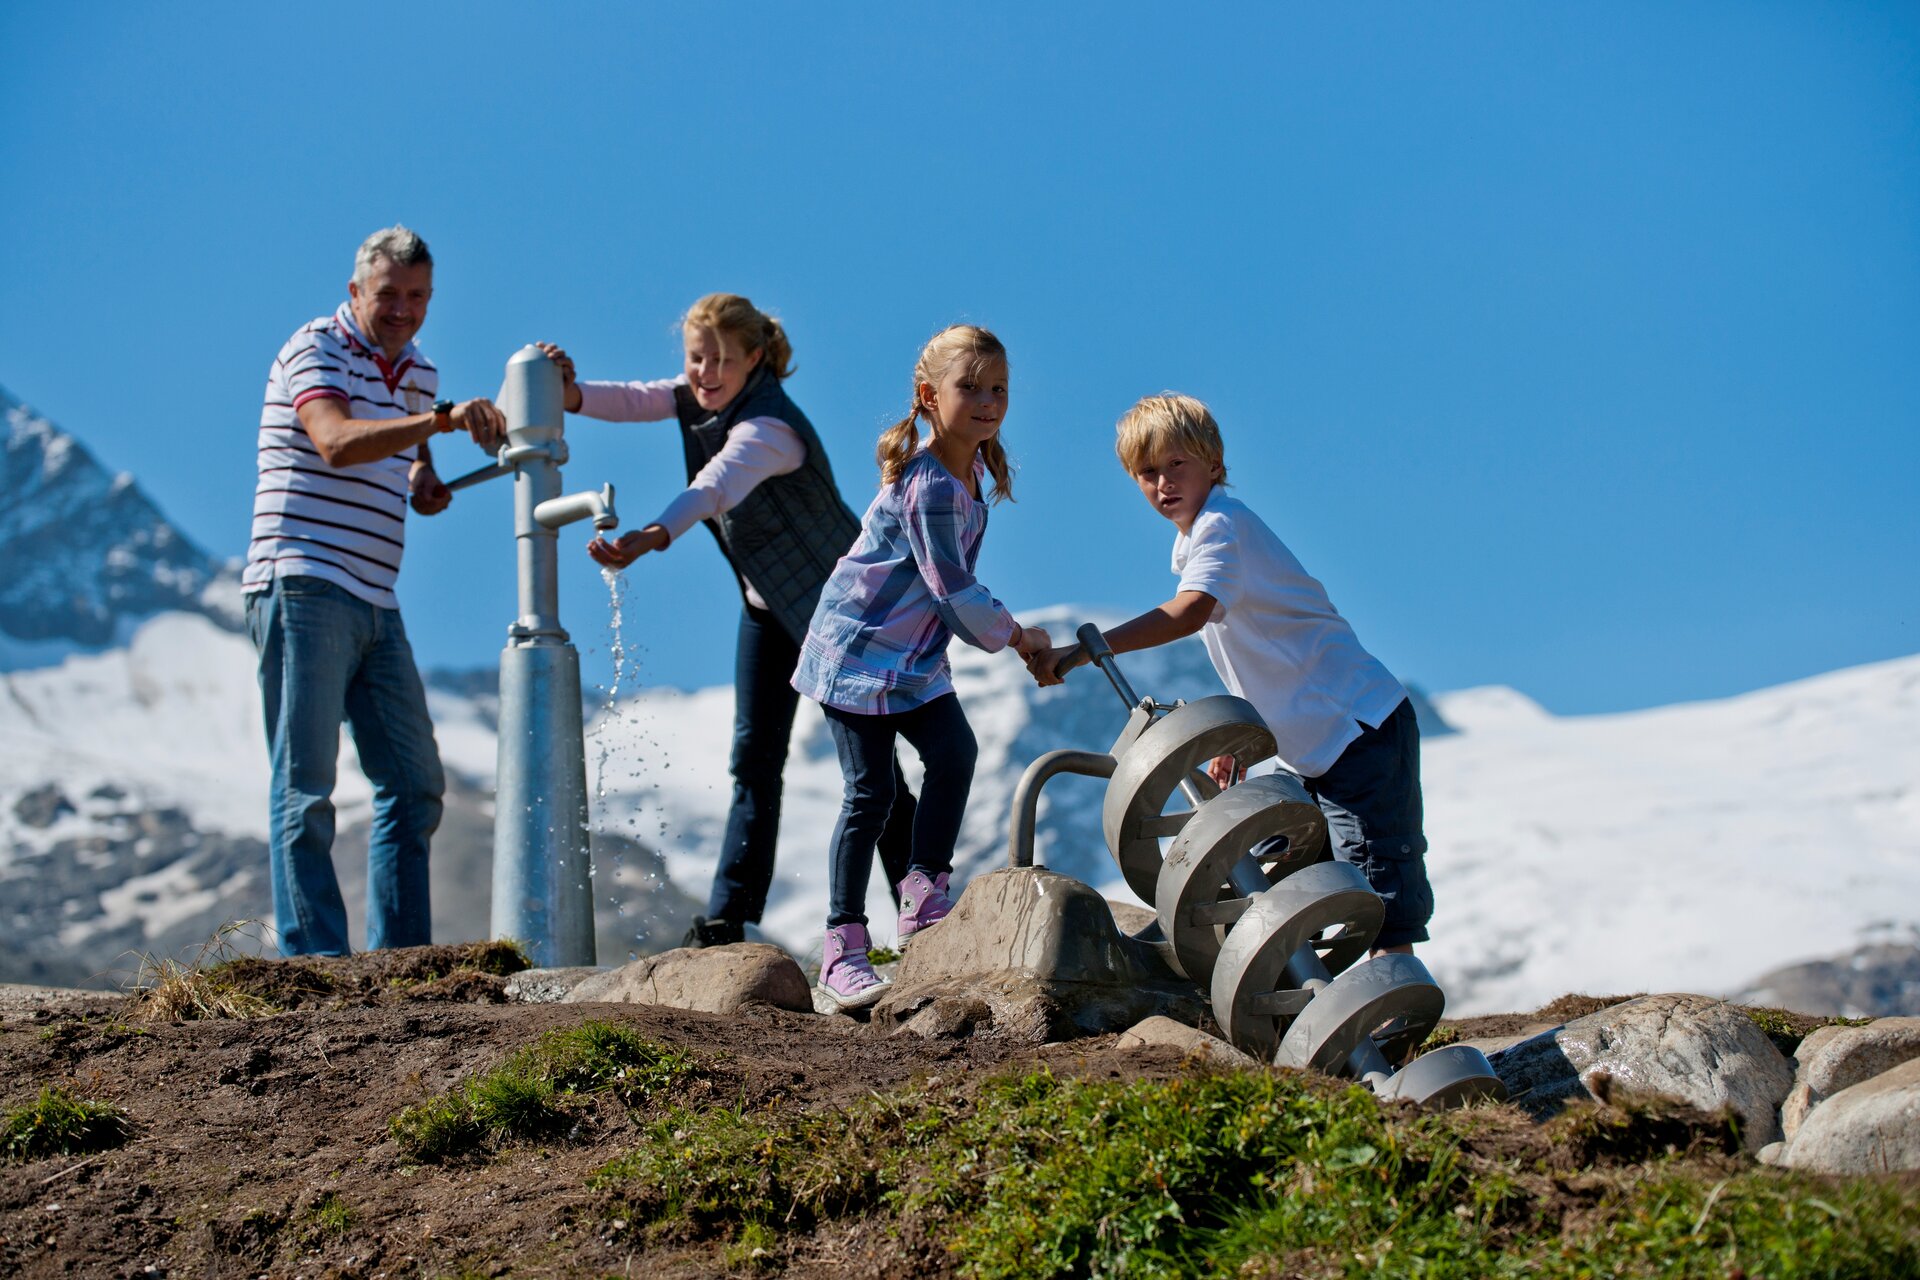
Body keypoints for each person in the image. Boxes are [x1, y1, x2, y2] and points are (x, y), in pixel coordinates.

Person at [537, 295, 917, 948]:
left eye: (721, 361)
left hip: (837, 616)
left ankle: (921, 906)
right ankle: (728, 917)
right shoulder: (696, 397)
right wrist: (567, 393)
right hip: (767, 612)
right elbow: (633, 399)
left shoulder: (769, 429)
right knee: (754, 760)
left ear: (754, 359)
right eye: (695, 358)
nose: (705, 373)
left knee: (872, 770)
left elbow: (714, 487)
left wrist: (651, 535)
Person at [1032, 393, 1433, 956]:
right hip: (1315, 750)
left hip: (1357, 732)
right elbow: (1266, 654)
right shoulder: (1197, 540)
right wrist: (1241, 739)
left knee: (1375, 887)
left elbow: (1190, 611)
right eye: (1147, 472)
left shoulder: (1224, 526)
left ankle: (1392, 998)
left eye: (1177, 464)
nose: (1164, 483)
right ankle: (1308, 996)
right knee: (1290, 875)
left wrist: (1088, 649)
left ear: (1214, 464)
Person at [245, 225, 506, 956]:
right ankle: (317, 963)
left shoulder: (419, 371)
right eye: (389, 294)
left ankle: (401, 964)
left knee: (414, 783)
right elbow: (333, 440)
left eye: (418, 296)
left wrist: (423, 477)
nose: (403, 310)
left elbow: (408, 457)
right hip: (302, 578)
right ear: (355, 291)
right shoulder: (314, 347)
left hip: (374, 596)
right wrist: (441, 423)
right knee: (306, 786)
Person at [793, 324, 1052, 1009]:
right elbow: (952, 590)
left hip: (911, 659)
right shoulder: (931, 484)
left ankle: (922, 889)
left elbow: (949, 587)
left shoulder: (970, 476)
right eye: (971, 387)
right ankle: (842, 946)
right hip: (858, 655)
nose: (988, 402)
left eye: (999, 389)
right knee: (871, 794)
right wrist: (1019, 637)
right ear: (929, 396)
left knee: (954, 752)